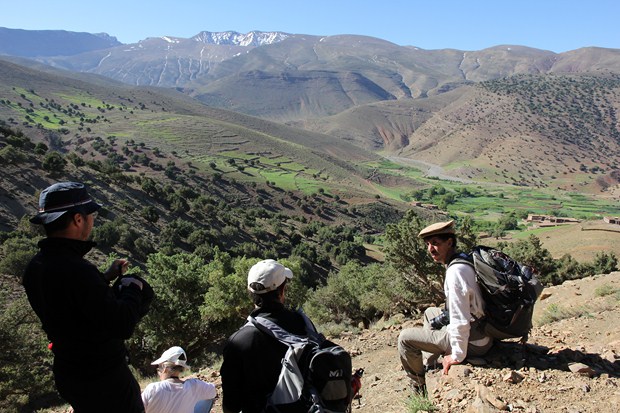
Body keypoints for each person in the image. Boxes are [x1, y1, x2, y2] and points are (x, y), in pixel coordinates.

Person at [22, 181, 154, 413]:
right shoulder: (78, 270)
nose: (93, 220)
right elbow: (122, 324)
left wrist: (104, 278)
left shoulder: (36, 267)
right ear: (78, 219)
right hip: (103, 377)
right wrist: (132, 287)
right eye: (90, 214)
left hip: (69, 371)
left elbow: (71, 302)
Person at [397, 220, 493, 392]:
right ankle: (430, 364)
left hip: (475, 341)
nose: (430, 249)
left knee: (405, 338)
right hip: (483, 330)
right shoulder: (463, 260)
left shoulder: (455, 273)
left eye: (435, 243)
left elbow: (459, 319)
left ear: (449, 242)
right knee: (430, 313)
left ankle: (418, 385)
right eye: (428, 244)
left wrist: (457, 355)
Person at [220, 259, 308, 413]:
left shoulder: (238, 342)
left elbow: (230, 404)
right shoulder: (304, 324)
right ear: (282, 291)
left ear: (250, 292)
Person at [141, 346, 217, 413]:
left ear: (164, 368)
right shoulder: (194, 386)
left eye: (158, 368)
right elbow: (213, 391)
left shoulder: (153, 389)